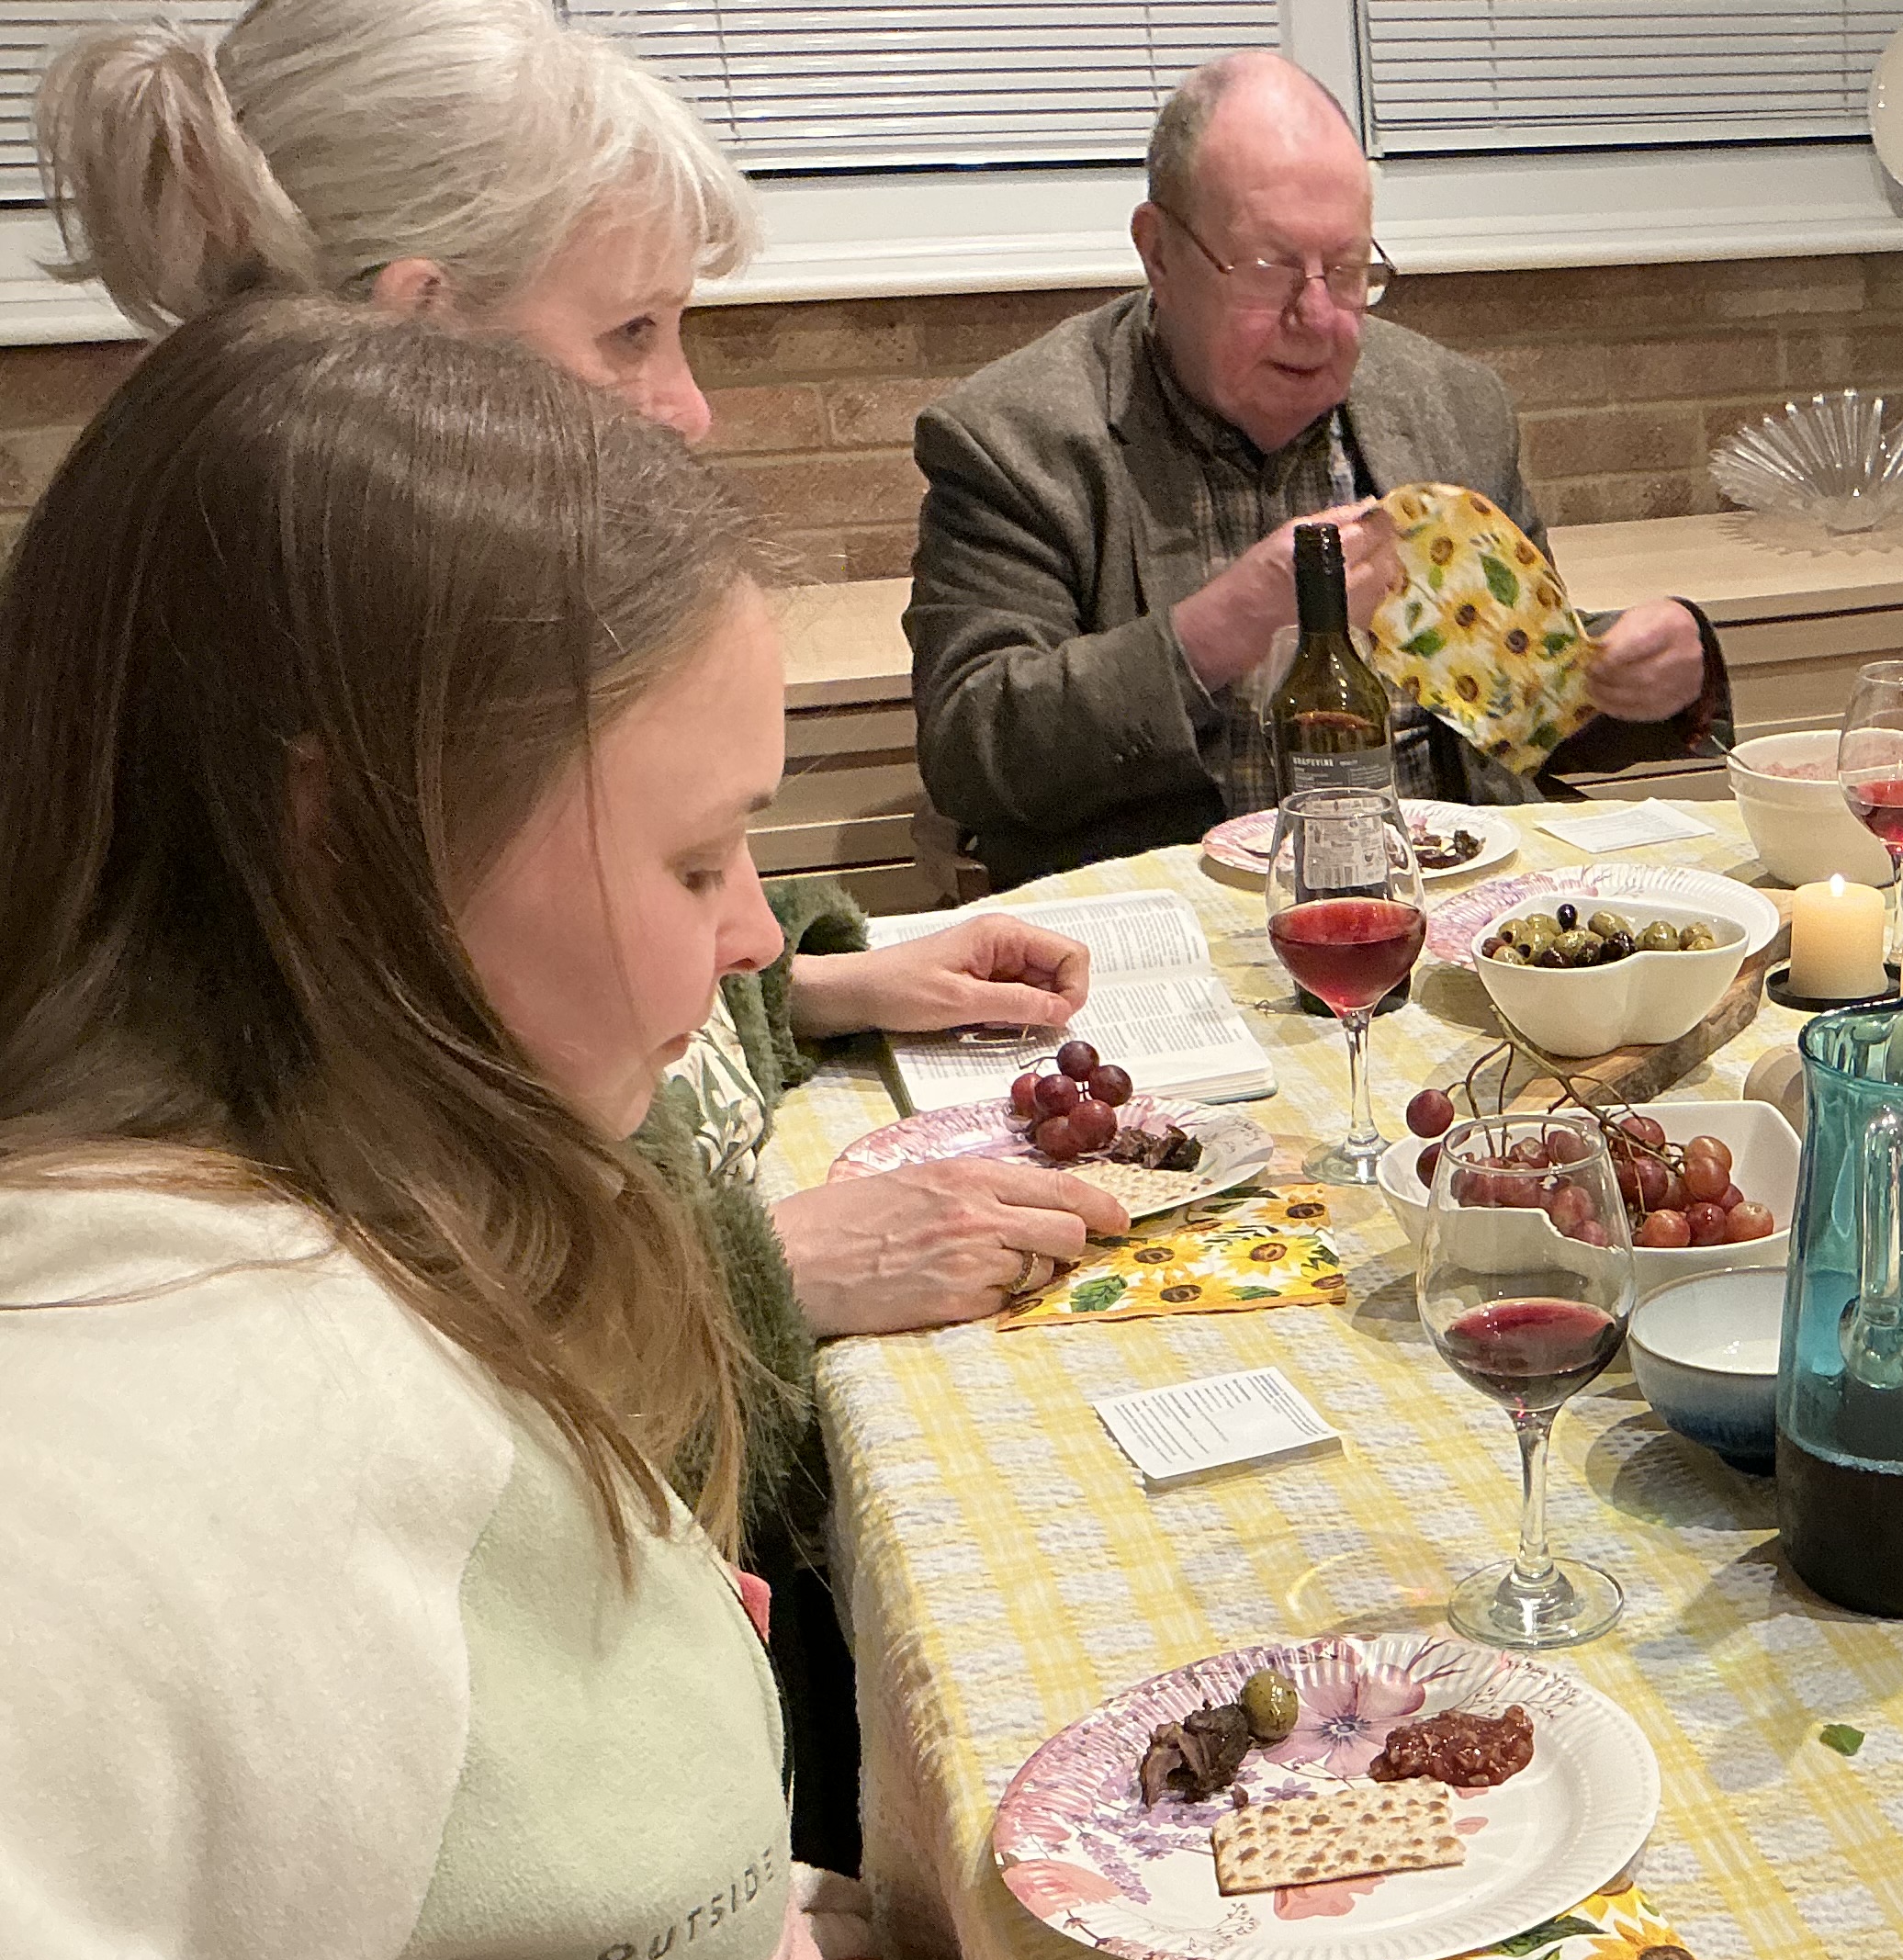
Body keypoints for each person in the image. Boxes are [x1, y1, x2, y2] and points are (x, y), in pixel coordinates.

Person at [0, 299, 951, 1960]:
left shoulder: (403, 1220)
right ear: (346, 848)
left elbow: (404, 1860)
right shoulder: (116, 1476)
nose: (756, 942)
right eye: (693, 856)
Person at [40, 0, 1139, 1432]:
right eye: (630, 333)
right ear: (416, 347)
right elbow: (416, 1368)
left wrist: (806, 981)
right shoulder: (267, 796)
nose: (688, 410)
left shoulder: (402, 664)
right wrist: (755, 1273)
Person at [908, 51, 1726, 884]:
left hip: (1450, 902)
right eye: (1268, 270)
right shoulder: (1013, 438)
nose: (1318, 316)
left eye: (1346, 270)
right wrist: (1223, 628)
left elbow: (1515, 708)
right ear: (1159, 251)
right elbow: (973, 751)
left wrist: (1642, 674)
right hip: (1185, 929)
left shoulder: (1453, 406)